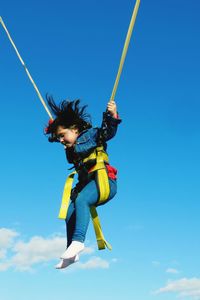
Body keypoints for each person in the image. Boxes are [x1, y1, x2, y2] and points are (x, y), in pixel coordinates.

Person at [45, 96, 121, 269]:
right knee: (69, 211)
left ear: (75, 129)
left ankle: (78, 242)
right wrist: (56, 130)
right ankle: (72, 252)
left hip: (105, 181)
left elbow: (108, 131)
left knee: (81, 200)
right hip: (88, 183)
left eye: (63, 136)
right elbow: (70, 155)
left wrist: (112, 115)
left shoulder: (91, 135)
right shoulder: (71, 149)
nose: (61, 141)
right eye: (59, 139)